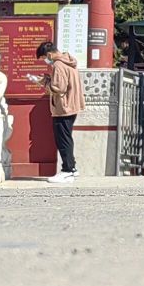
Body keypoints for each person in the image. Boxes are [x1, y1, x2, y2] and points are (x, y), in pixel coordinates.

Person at [37, 41, 85, 184]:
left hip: (63, 107)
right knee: (67, 137)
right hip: (72, 105)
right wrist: (49, 79)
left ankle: (67, 170)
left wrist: (43, 83)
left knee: (62, 139)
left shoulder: (58, 65)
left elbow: (59, 88)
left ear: (49, 54)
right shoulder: (69, 62)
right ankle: (72, 168)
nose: (46, 61)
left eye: (45, 58)